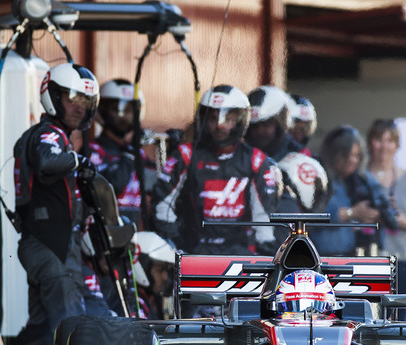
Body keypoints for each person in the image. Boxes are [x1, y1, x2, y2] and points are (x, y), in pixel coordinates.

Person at [0, 63, 99, 345]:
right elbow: (48, 163)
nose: (79, 106)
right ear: (52, 96)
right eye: (72, 98)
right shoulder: (48, 135)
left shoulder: (51, 134)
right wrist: (79, 161)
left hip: (45, 245)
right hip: (49, 247)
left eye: (84, 99)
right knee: (73, 329)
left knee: (41, 332)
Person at [151, 84, 281, 256]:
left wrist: (264, 254)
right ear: (203, 119)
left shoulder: (256, 161)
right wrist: (177, 244)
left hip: (241, 254)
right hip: (194, 253)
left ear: (241, 120)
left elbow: (263, 219)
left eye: (227, 119)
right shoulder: (186, 155)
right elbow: (162, 206)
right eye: (213, 119)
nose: (219, 126)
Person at [365, 119, 406, 320]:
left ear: (397, 145)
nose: (384, 146)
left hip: (401, 259)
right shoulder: (360, 177)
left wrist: (401, 221)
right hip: (366, 259)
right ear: (370, 143)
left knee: (398, 318)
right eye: (378, 140)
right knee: (366, 317)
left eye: (390, 140)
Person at [312, 125, 397, 257]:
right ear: (335, 154)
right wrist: (353, 212)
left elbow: (383, 205)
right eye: (348, 155)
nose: (353, 160)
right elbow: (315, 217)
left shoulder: (363, 180)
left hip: (357, 254)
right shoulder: (318, 178)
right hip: (323, 256)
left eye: (357, 155)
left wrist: (379, 213)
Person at [88, 79, 146, 228]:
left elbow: (156, 189)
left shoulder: (138, 153)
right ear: (102, 111)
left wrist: (171, 151)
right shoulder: (93, 151)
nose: (124, 116)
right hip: (106, 233)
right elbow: (112, 185)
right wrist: (129, 155)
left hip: (136, 234)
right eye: (117, 109)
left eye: (129, 110)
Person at [245, 85, 311, 162]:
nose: (260, 131)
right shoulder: (239, 156)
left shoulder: (303, 158)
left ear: (281, 123)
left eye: (266, 124)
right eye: (254, 126)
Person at [131, 231, 176, 319]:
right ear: (143, 267)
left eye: (167, 271)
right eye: (159, 270)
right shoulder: (134, 304)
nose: (165, 277)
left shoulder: (152, 301)